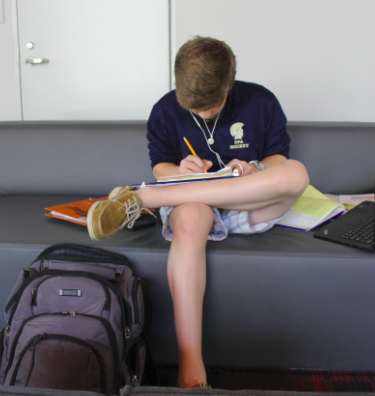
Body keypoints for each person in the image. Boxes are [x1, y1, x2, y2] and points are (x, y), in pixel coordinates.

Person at [87, 36, 309, 389]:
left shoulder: (261, 101)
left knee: (296, 173)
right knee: (190, 218)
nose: (203, 115)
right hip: (193, 206)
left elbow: (277, 160)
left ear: (229, 81)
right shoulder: (163, 110)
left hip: (248, 203)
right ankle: (191, 372)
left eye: (211, 107)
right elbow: (161, 166)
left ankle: (143, 199)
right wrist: (180, 170)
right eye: (194, 110)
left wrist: (253, 169)